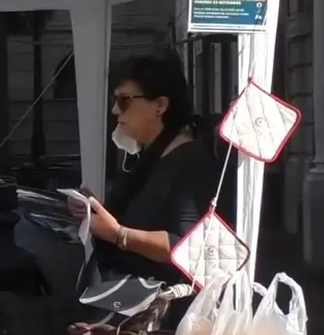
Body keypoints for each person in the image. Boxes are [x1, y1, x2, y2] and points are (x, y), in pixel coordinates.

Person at [69, 52, 216, 315]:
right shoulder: (147, 155)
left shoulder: (189, 161)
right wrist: (96, 211)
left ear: (160, 105)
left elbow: (186, 246)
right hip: (130, 303)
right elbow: (139, 216)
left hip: (161, 313)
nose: (115, 110)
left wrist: (117, 233)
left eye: (124, 100)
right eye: (115, 100)